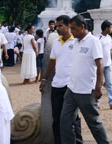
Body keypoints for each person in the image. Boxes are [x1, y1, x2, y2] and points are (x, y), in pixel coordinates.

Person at [60, 15, 110, 144]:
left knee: (94, 123)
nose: (71, 31)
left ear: (82, 27)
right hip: (71, 89)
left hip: (86, 91)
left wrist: (98, 88)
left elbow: (100, 65)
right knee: (65, 121)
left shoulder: (93, 41)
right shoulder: (75, 42)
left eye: (74, 29)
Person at [40, 15, 84, 144]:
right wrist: (44, 78)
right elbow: (52, 62)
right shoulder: (56, 42)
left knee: (73, 118)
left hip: (71, 85)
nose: (57, 28)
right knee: (57, 119)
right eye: (56, 25)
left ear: (68, 26)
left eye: (60, 26)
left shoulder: (76, 42)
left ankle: (78, 142)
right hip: (57, 85)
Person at [98, 20, 112, 109]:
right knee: (99, 83)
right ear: (106, 28)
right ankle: (97, 102)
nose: (111, 29)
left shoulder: (109, 38)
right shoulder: (98, 38)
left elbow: (110, 51)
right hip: (100, 64)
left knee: (109, 84)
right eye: (110, 27)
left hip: (108, 64)